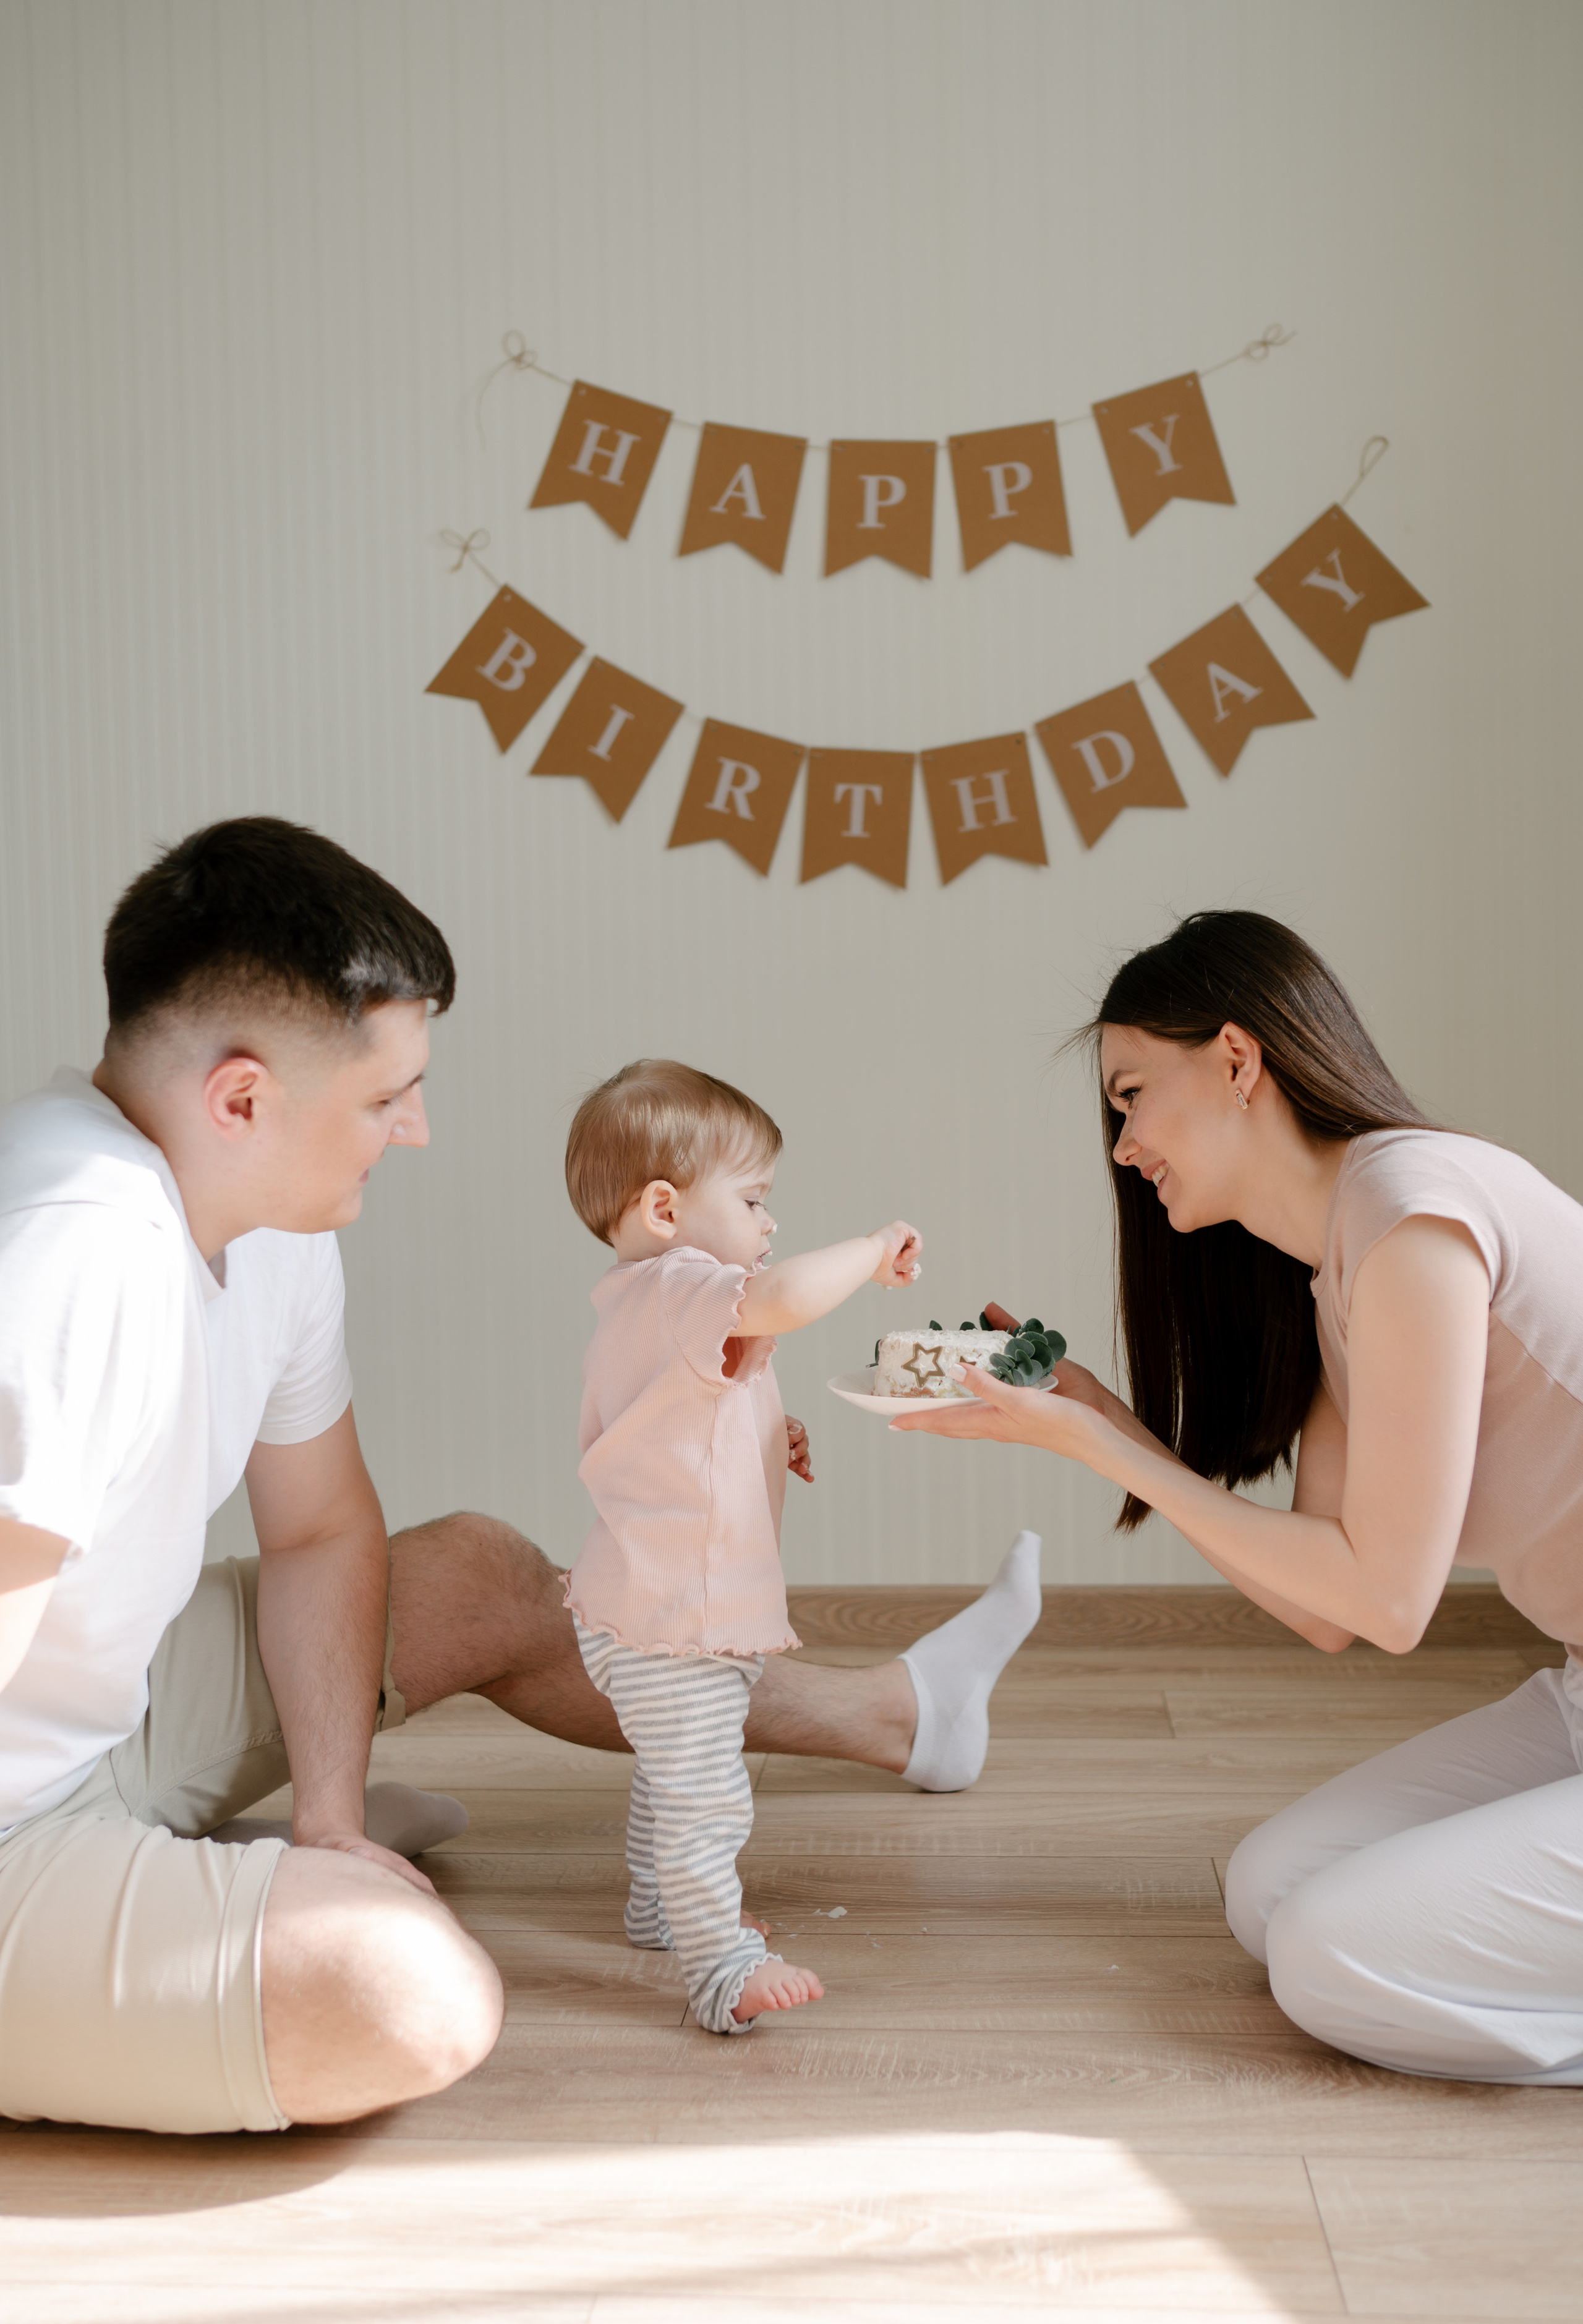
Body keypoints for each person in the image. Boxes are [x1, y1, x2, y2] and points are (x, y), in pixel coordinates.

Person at [0, 816, 1041, 2138]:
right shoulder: (71, 1257)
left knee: (480, 1571)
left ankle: (899, 1719)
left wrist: (327, 1816)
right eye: (386, 1098)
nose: (418, 1129)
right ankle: (185, 1902)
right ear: (244, 1097)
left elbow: (321, 1531)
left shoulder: (264, 1222)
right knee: (408, 1998)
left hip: (109, 1702)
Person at [898, 909, 1583, 2087]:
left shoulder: (1415, 1214)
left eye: (1129, 1096)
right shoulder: (1344, 1266)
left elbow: (1391, 1601)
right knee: (1274, 1895)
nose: (1123, 1146)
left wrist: (1111, 1454)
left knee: (1329, 1956)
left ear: (1235, 1058)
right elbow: (1329, 1609)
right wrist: (1101, 1423)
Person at [563, 1057, 928, 2032]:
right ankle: (720, 1965)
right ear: (666, 1210)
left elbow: (678, 1426)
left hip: (636, 1605)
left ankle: (657, 1909)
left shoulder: (641, 1301)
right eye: (757, 1200)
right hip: (677, 1615)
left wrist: (772, 1434)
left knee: (671, 1773)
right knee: (707, 1797)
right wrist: (871, 1246)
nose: (770, 1226)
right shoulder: (688, 1285)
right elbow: (787, 1298)